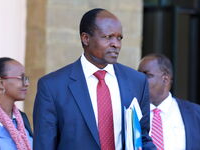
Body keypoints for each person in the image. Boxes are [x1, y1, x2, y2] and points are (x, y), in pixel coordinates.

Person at [33, 8, 155, 150]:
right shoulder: (52, 86)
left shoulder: (137, 81)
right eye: (108, 37)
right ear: (86, 38)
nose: (116, 44)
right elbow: (44, 144)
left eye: (119, 37)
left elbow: (143, 138)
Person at [138, 54, 200, 150]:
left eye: (146, 75)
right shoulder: (131, 113)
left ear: (165, 79)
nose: (140, 79)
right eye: (138, 75)